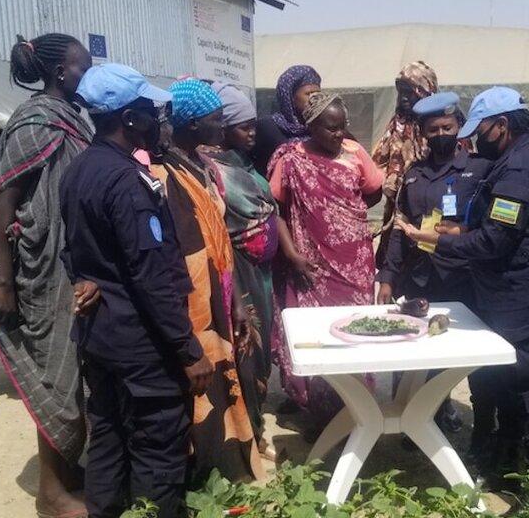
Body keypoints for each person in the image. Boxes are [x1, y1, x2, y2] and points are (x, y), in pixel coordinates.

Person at [59, 63, 212, 518]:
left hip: (100, 339)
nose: (157, 120)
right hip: (141, 345)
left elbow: (70, 248)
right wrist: (188, 350)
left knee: (107, 437)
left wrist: (84, 278)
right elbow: (151, 276)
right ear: (129, 118)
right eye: (149, 111)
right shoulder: (128, 181)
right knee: (157, 447)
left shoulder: (79, 170)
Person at [396, 86, 529, 480]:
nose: (472, 140)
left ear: (501, 125)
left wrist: (440, 240)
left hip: (522, 293)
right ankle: (506, 463)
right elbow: (501, 227)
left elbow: (495, 241)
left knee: (526, 383)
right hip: (511, 290)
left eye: (479, 130)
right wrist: (463, 229)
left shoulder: (518, 170)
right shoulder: (517, 159)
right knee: (507, 380)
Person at [0, 33, 100, 518]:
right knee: (56, 376)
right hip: (43, 271)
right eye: (83, 68)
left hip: (72, 265)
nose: (88, 77)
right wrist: (3, 283)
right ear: (59, 72)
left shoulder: (74, 118)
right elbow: (2, 202)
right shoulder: (33, 122)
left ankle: (69, 472)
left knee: (77, 374)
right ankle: (50, 493)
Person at [150, 78, 264, 482]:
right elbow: (184, 249)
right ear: (193, 124)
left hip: (221, 289)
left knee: (229, 376)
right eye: (217, 119)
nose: (223, 126)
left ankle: (230, 462)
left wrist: (234, 301)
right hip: (195, 300)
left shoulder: (199, 165)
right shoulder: (164, 173)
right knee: (203, 385)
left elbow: (219, 236)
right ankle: (207, 474)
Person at [376, 92, 493, 434]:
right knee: (414, 356)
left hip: (464, 280)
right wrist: (387, 276)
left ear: (459, 127)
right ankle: (414, 422)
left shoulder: (479, 169)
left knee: (466, 359)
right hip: (421, 280)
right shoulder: (415, 174)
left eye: (447, 127)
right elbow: (401, 229)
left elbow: (492, 228)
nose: (441, 134)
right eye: (433, 129)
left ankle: (481, 426)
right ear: (423, 133)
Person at [268, 92, 384, 424]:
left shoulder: (354, 152)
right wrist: (292, 254)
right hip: (313, 266)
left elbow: (374, 191)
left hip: (355, 263)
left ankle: (354, 411)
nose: (339, 133)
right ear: (311, 127)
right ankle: (320, 413)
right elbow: (275, 209)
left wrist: (343, 215)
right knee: (318, 336)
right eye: (331, 128)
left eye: (342, 126)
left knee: (356, 331)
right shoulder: (292, 159)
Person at [202, 82, 281, 460]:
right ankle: (250, 432)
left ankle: (257, 420)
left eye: (253, 125)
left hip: (262, 273)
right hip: (239, 273)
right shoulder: (212, 171)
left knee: (262, 351)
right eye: (243, 127)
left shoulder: (245, 164)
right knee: (246, 350)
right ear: (223, 129)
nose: (253, 133)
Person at [372, 61, 438, 267]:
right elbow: (378, 162)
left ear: (425, 91)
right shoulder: (397, 124)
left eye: (410, 92)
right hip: (399, 208)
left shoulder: (441, 124)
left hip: (432, 207)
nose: (404, 98)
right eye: (401, 92)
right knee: (395, 265)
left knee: (428, 260)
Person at [251, 65, 322, 174]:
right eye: (308, 94)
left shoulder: (323, 127)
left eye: (317, 93)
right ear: (290, 96)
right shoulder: (268, 127)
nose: (314, 99)